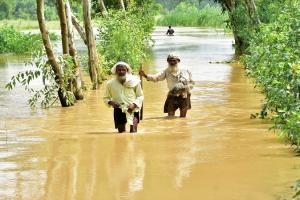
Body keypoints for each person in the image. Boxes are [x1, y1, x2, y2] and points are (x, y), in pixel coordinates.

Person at [139, 53, 194, 118]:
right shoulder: (166, 71)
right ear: (168, 61)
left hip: (184, 95)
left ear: (178, 61)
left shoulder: (185, 70)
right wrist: (145, 75)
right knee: (170, 116)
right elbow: (156, 77)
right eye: (170, 60)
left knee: (183, 117)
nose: (172, 62)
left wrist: (187, 85)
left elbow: (191, 82)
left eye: (174, 60)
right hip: (172, 94)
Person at [104, 62, 144, 133]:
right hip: (119, 109)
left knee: (133, 132)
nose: (121, 72)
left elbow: (140, 96)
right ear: (116, 71)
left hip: (133, 109)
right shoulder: (110, 84)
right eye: (119, 70)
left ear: (127, 70)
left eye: (123, 70)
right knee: (121, 132)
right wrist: (111, 102)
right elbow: (106, 98)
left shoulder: (135, 81)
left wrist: (134, 105)